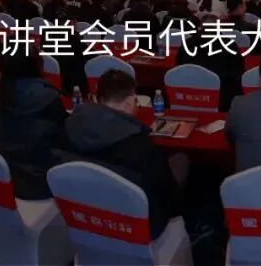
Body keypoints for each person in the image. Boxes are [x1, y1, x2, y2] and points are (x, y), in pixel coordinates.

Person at [56, 70, 182, 240]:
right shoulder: (140, 146)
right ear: (130, 102)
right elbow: (170, 199)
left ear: (96, 99)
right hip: (140, 229)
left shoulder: (69, 128)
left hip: (86, 220)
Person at [0, 52, 66, 200]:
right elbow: (61, 136)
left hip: (6, 174)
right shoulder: (48, 97)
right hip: (42, 181)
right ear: (36, 65)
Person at [177, 14, 245, 111]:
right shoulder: (229, 45)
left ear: (200, 27)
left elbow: (179, 68)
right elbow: (239, 71)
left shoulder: (187, 44)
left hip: (189, 95)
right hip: (222, 98)